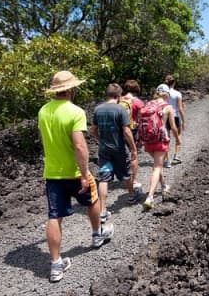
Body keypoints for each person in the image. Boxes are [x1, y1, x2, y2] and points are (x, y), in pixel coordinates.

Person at [38, 71, 114, 283]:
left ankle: (55, 265)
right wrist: (83, 174)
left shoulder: (43, 111)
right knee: (92, 200)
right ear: (71, 89)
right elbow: (80, 147)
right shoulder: (75, 111)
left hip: (52, 173)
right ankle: (97, 234)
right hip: (73, 172)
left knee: (54, 216)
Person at [91, 83, 139, 223]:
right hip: (119, 149)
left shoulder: (98, 109)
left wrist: (100, 140)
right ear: (119, 96)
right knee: (125, 173)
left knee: (104, 177)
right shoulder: (120, 109)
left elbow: (93, 130)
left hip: (104, 149)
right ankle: (131, 195)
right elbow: (126, 131)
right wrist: (133, 148)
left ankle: (103, 210)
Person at [141, 84, 181, 209]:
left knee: (157, 164)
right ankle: (150, 197)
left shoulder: (147, 104)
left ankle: (163, 185)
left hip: (147, 140)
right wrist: (178, 139)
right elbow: (173, 127)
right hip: (160, 140)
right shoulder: (167, 107)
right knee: (157, 167)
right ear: (166, 94)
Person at [121, 79, 145, 191]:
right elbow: (142, 119)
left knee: (122, 154)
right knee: (133, 154)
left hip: (119, 131)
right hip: (132, 130)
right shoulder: (138, 102)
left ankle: (124, 176)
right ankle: (133, 180)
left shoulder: (119, 100)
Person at [163, 75, 185, 168]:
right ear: (174, 83)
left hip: (166, 117)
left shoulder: (163, 93)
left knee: (166, 139)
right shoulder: (177, 93)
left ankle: (168, 161)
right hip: (175, 116)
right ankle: (176, 155)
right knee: (178, 135)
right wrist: (183, 120)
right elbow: (180, 108)